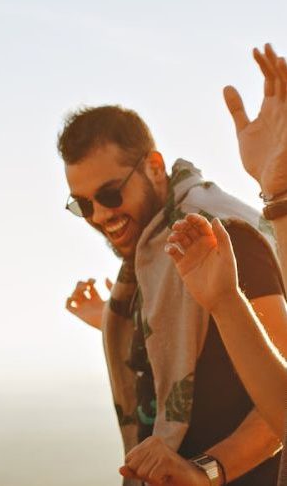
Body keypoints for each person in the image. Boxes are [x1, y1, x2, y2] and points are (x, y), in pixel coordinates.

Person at [59, 47, 285, 485]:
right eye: (83, 205)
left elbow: (282, 396)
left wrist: (208, 473)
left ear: (155, 167)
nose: (101, 216)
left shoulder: (224, 235)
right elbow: (184, 340)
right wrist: (111, 319)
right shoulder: (149, 260)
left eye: (109, 194)